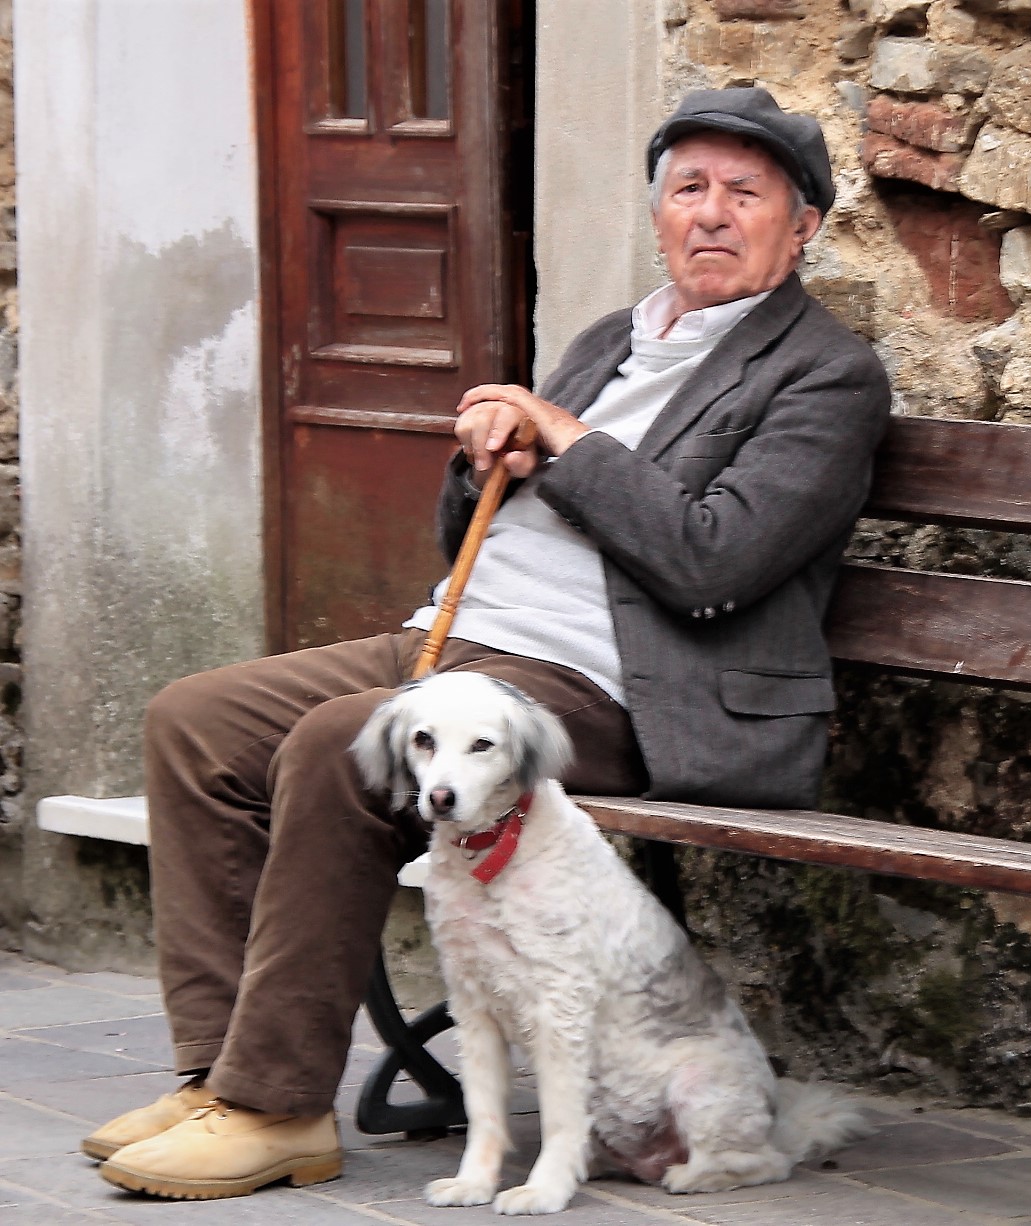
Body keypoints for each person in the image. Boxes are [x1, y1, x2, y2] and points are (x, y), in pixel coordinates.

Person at [85, 87, 891, 1201]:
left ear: (800, 227)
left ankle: (277, 1104)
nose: (709, 213)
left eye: (744, 193)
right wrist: (482, 460)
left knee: (340, 744)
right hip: (460, 640)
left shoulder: (827, 374)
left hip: (616, 684)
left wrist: (569, 437)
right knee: (196, 720)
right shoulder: (613, 338)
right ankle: (218, 1071)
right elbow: (485, 526)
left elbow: (718, 561)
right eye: (687, 188)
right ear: (656, 213)